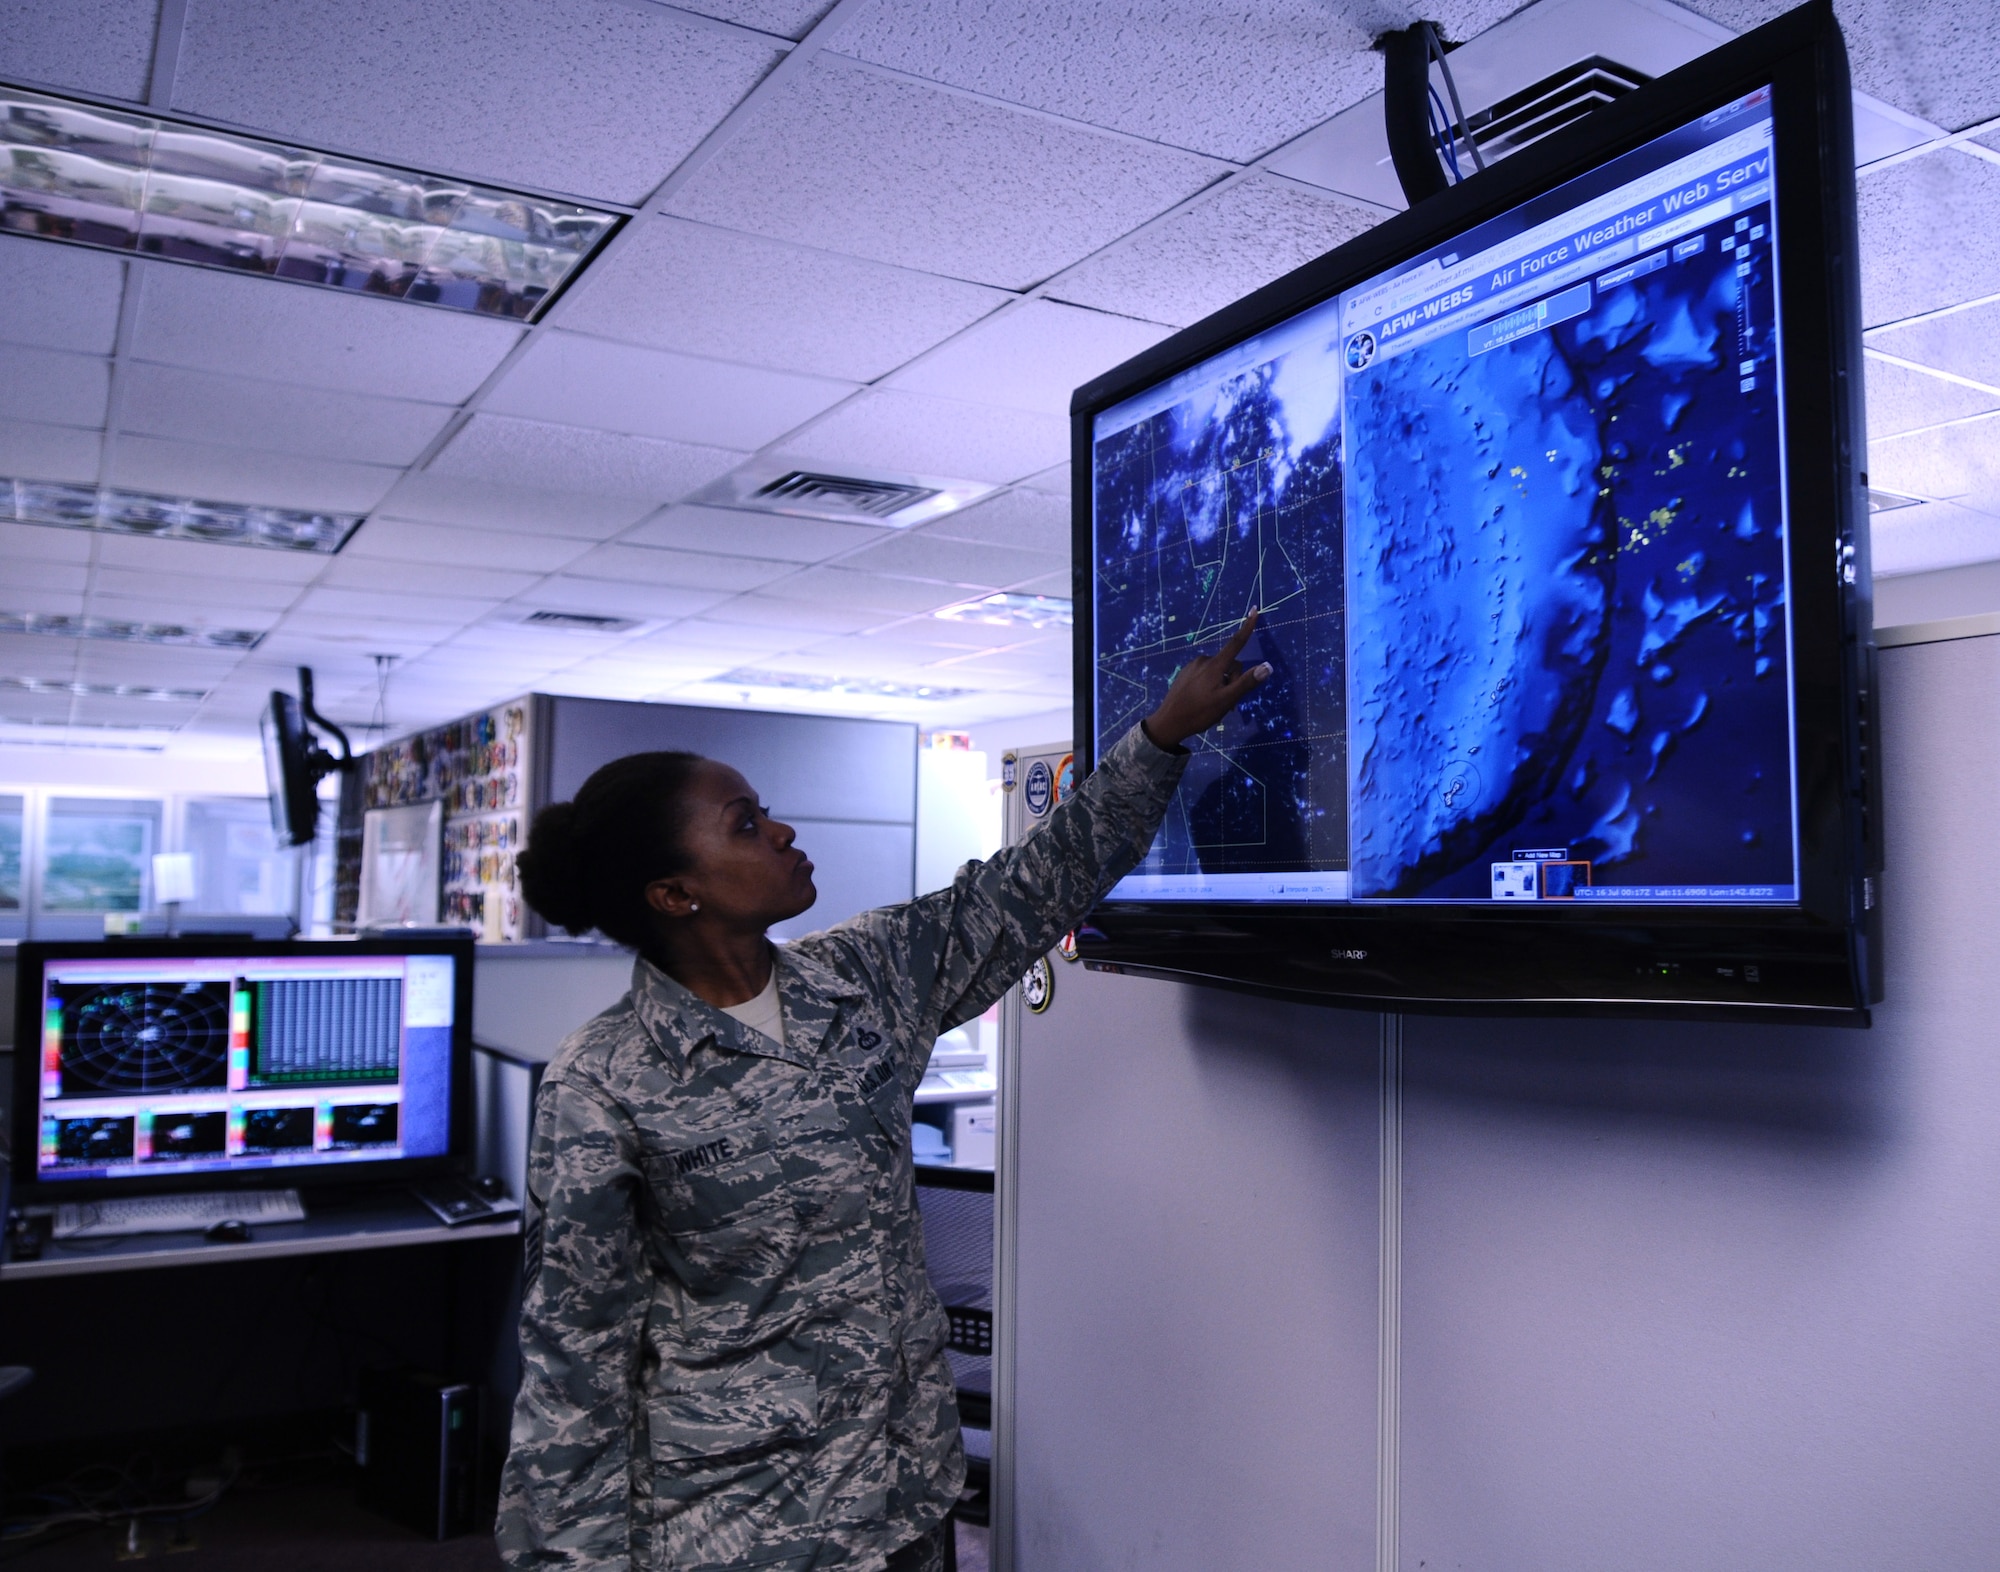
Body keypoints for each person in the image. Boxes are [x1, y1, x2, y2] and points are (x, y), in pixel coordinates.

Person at [497, 613, 1271, 1572]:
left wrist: (1160, 738)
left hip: (903, 1494)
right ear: (673, 893)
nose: (782, 830)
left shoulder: (858, 981)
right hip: (737, 1531)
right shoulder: (604, 1081)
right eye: (744, 824)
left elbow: (1032, 885)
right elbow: (576, 1357)